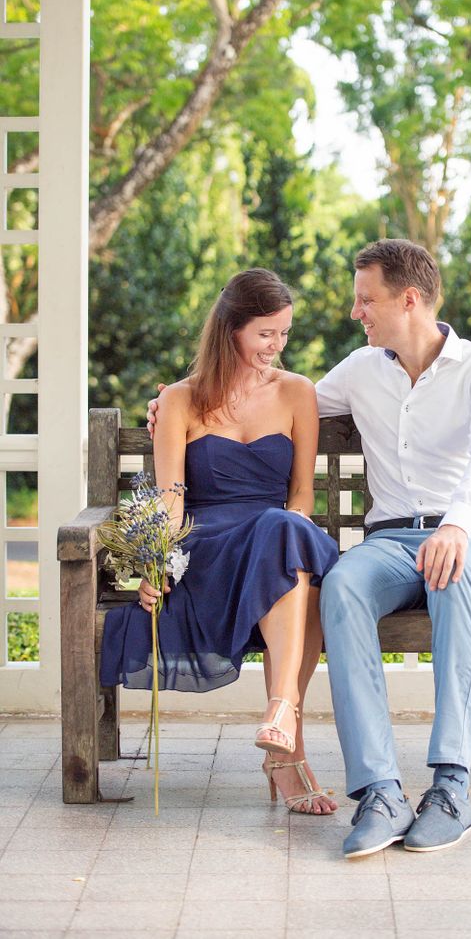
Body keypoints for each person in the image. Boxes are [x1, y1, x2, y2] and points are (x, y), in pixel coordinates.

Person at [148, 239, 471, 856]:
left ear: (410, 299)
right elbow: (272, 397)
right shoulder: (361, 368)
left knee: (452, 577)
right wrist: (179, 400)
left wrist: (456, 526)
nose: (355, 313)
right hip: (392, 541)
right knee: (341, 583)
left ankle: (451, 786)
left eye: (365, 300)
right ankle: (379, 790)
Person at [101, 268, 339, 816]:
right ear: (231, 328)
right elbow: (171, 500)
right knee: (290, 551)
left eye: (284, 334)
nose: (276, 346)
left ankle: (281, 718)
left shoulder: (298, 392)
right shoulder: (180, 400)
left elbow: (299, 496)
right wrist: (154, 564)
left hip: (276, 541)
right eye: (265, 334)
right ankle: (287, 751)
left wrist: (284, 532)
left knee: (286, 533)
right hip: (208, 549)